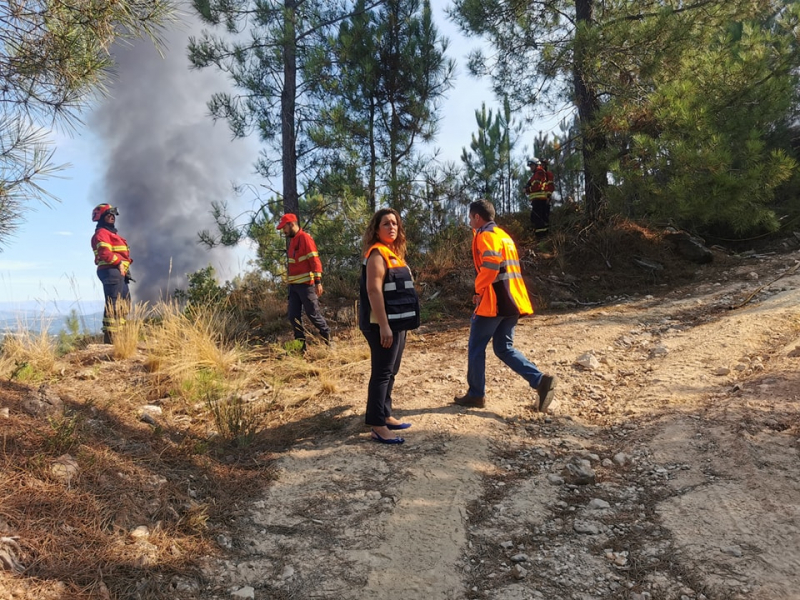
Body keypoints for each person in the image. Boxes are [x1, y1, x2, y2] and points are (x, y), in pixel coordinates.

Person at [454, 199, 556, 412]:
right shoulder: (504, 236)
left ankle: (475, 394)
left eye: (470, 217)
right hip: (513, 301)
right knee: (503, 348)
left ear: (477, 217)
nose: (469, 221)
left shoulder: (486, 236)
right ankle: (540, 381)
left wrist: (477, 290)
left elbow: (490, 267)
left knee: (476, 347)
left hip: (494, 303)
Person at [359, 208, 421, 445]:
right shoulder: (376, 254)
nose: (392, 227)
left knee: (391, 370)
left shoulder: (392, 253)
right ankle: (377, 425)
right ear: (376, 229)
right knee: (382, 373)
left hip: (397, 323)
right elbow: (373, 290)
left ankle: (385, 413)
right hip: (381, 324)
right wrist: (384, 326)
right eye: (386, 224)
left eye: (394, 223)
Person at [276, 213, 332, 351]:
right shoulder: (293, 241)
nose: (284, 231)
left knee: (313, 314)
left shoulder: (305, 238)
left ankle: (328, 339)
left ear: (292, 224)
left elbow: (314, 260)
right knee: (293, 316)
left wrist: (318, 281)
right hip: (294, 287)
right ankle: (301, 348)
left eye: (285, 227)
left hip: (306, 286)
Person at [90, 203, 133, 344]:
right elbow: (104, 252)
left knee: (125, 303)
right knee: (113, 304)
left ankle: (119, 335)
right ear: (101, 217)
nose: (112, 217)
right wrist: (119, 263)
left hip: (118, 272)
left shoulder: (111, 233)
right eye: (108, 214)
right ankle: (110, 340)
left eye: (113, 215)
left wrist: (124, 268)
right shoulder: (102, 233)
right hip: (110, 271)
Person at [525, 157, 554, 236]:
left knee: (539, 219)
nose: (530, 167)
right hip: (537, 200)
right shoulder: (536, 174)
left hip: (540, 200)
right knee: (537, 218)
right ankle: (542, 236)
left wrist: (527, 189)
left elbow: (537, 186)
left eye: (532, 165)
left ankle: (542, 237)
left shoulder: (540, 172)